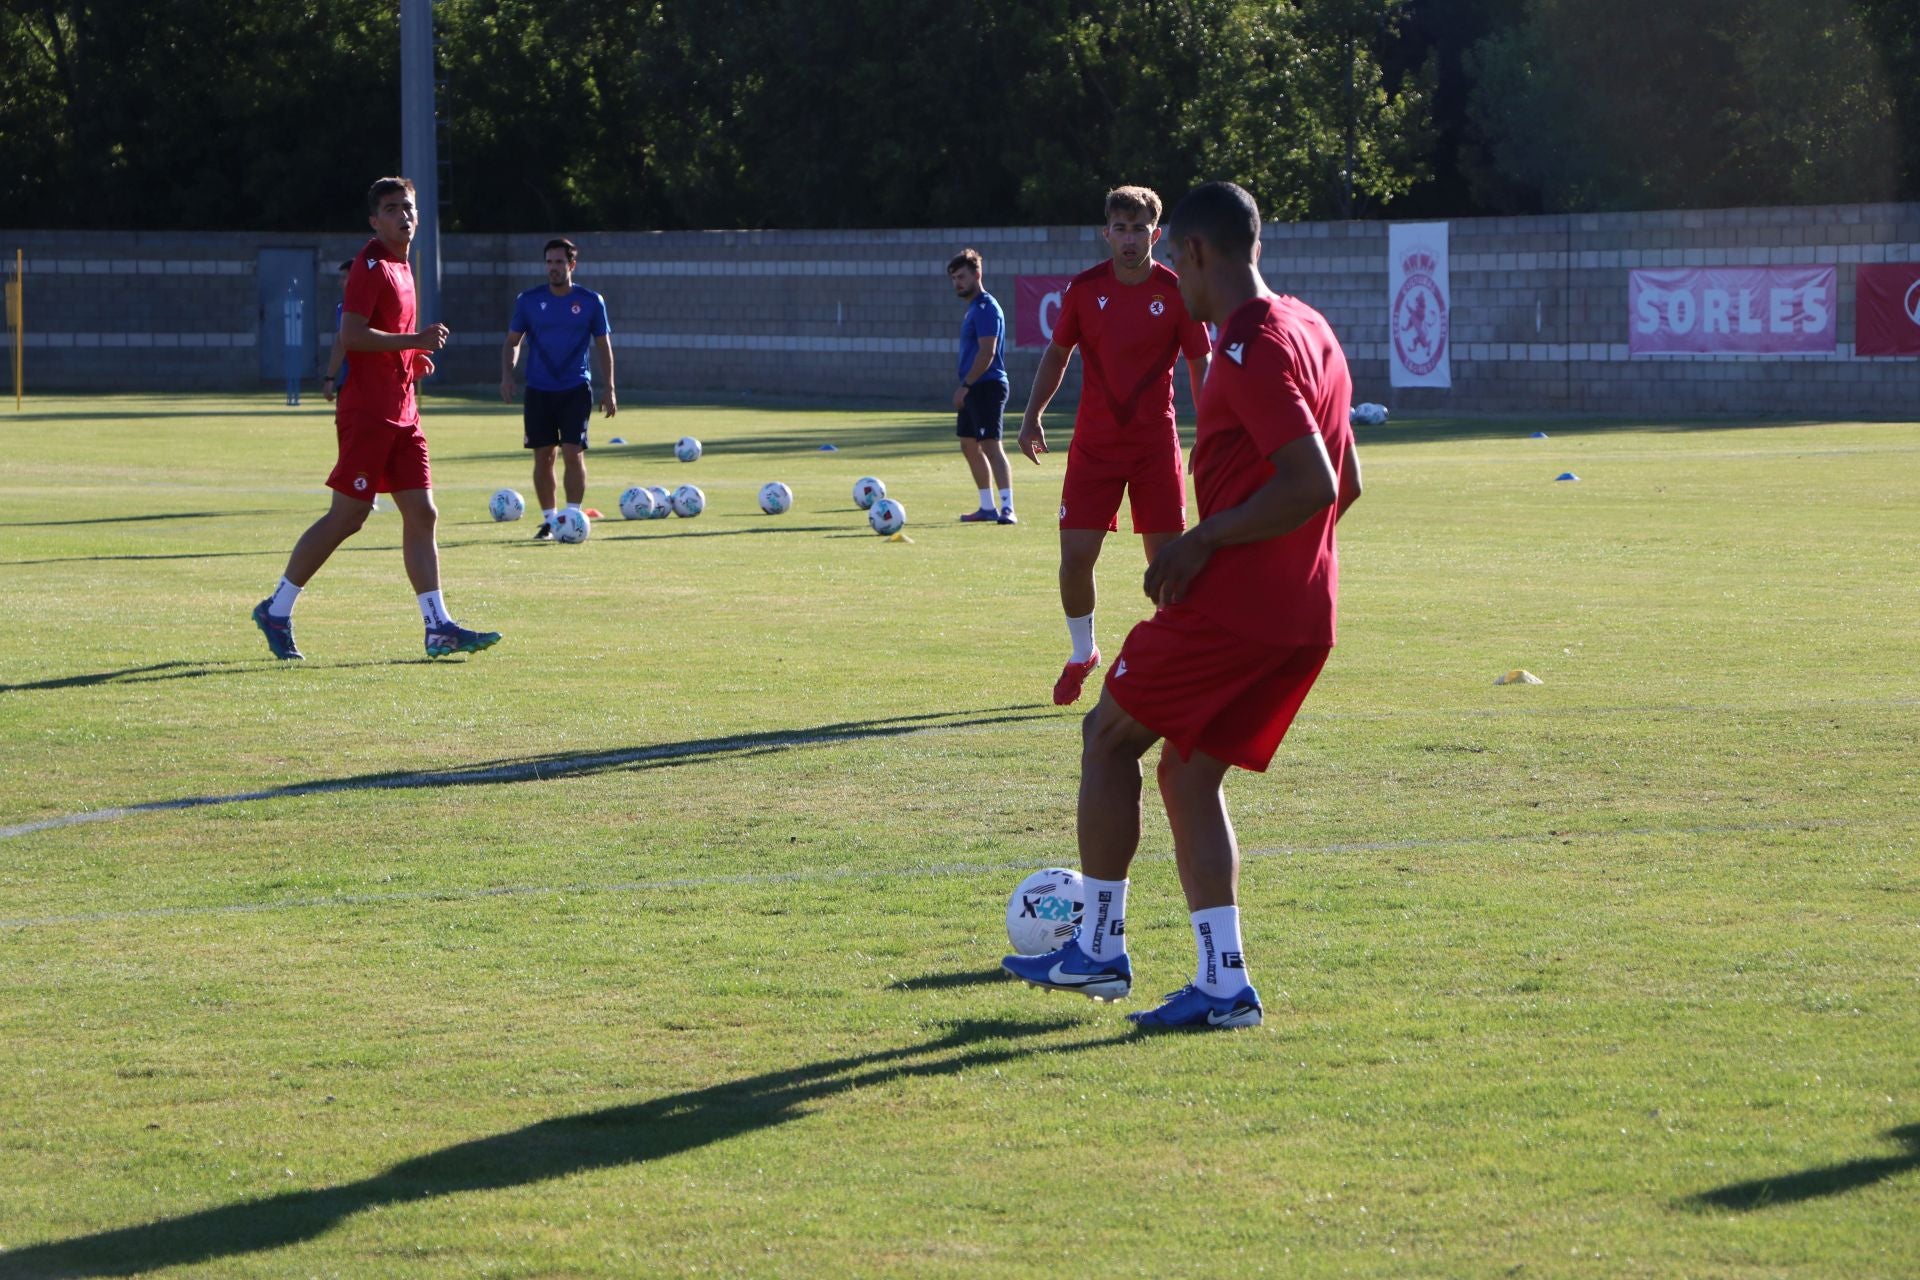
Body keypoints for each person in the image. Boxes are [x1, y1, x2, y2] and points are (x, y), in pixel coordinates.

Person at [1003, 181, 1362, 1030]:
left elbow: (1312, 481)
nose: (1170, 274)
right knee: (1188, 773)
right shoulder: (1312, 327)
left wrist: (1205, 544)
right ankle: (1224, 984)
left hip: (1234, 610)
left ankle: (1098, 950)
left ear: (1195, 251)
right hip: (1305, 612)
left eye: (1173, 256)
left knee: (1107, 737)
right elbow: (1347, 482)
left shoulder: (1251, 344)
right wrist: (1279, 561)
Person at [252, 177, 501, 662]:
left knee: (423, 513)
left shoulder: (403, 265)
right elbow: (352, 334)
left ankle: (438, 628)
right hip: (369, 412)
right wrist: (414, 342)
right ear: (374, 220)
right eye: (391, 209)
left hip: (403, 411)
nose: (403, 216)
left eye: (407, 207)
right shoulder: (370, 266)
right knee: (348, 516)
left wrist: (412, 359)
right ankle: (276, 610)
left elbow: (384, 338)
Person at [1017, 185, 1211, 705]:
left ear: (1156, 234)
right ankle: (1083, 652)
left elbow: (1201, 363)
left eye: (1139, 229)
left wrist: (1210, 428)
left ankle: (1173, 662)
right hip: (1094, 448)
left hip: (1154, 447)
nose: (1129, 239)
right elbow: (1056, 354)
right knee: (1075, 558)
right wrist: (1032, 416)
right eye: (1120, 229)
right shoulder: (1084, 290)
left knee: (1167, 565)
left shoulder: (1177, 290)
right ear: (1106, 233)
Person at [500, 237, 616, 540]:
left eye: (559, 262)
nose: (553, 267)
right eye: (549, 262)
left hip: (575, 387)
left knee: (573, 452)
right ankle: (550, 521)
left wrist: (610, 388)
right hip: (539, 389)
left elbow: (603, 346)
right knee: (543, 455)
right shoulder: (528, 300)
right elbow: (512, 342)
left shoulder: (591, 301)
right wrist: (508, 374)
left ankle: (572, 515)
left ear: (572, 265)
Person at [947, 249, 1015, 524]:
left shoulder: (987, 307)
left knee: (990, 445)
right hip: (974, 386)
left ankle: (1008, 507)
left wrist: (966, 386)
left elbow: (988, 351)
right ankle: (987, 507)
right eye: (954, 279)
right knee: (968, 444)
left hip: (987, 385)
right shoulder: (973, 308)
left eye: (962, 277)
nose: (957, 283)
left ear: (977, 274)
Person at [321, 259, 350, 403]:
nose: (340, 282)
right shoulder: (343, 306)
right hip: (350, 380)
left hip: (357, 383)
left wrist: (329, 378)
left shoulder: (348, 308)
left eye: (344, 277)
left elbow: (341, 342)